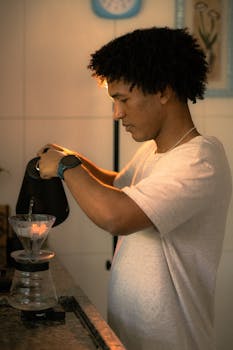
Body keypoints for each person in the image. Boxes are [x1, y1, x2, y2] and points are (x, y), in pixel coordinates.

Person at [37, 27, 232, 350]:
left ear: (164, 90)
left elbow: (117, 215)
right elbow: (116, 187)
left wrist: (64, 167)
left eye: (123, 99)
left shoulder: (200, 160)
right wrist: (73, 158)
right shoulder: (156, 152)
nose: (117, 114)